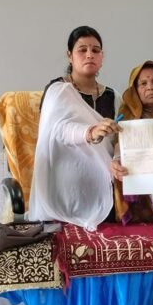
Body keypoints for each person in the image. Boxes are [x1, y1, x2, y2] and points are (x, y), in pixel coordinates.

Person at [29, 25, 120, 230]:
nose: (89, 55)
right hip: (64, 191)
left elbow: (119, 139)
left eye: (95, 50)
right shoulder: (57, 90)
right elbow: (57, 131)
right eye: (82, 50)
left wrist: (117, 160)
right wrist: (89, 132)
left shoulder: (113, 96)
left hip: (105, 191)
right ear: (69, 55)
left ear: (102, 56)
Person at [110, 60, 153, 224]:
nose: (150, 87)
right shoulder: (125, 118)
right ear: (135, 90)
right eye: (143, 83)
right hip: (137, 196)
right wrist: (116, 164)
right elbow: (118, 153)